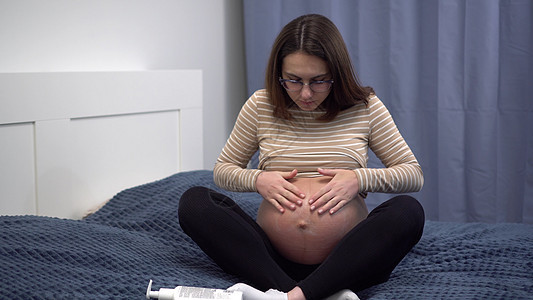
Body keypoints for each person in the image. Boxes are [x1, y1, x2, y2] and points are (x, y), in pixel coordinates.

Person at [178, 14, 425, 300]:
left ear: (337, 73)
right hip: (272, 259)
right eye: (293, 80)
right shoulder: (261, 105)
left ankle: (292, 296)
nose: (305, 93)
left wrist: (358, 179)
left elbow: (413, 174)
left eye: (319, 81)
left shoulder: (364, 108)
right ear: (278, 74)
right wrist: (258, 180)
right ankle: (311, 292)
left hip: (348, 260)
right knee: (194, 203)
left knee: (408, 211)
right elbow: (223, 170)